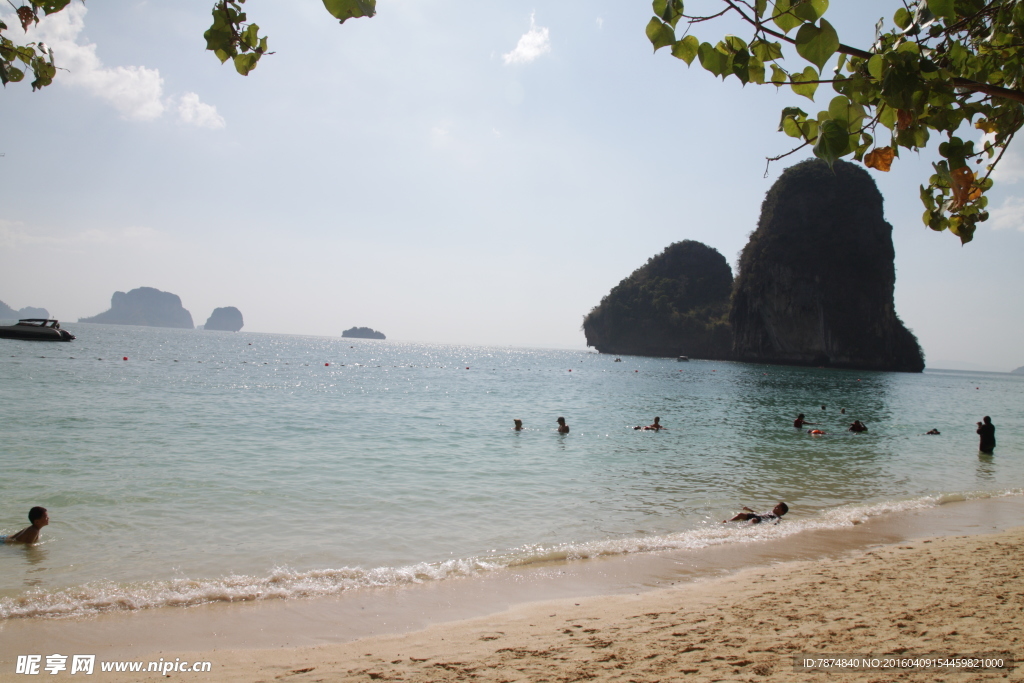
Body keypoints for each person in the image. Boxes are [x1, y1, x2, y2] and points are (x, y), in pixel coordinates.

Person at [724, 502, 788, 524]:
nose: (775, 507)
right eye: (775, 506)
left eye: (777, 507)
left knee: (753, 520)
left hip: (761, 519)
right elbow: (758, 513)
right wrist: (749, 510)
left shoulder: (777, 517)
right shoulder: (769, 512)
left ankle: (744, 527)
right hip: (757, 515)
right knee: (741, 515)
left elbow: (777, 522)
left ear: (782, 512)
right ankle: (728, 521)